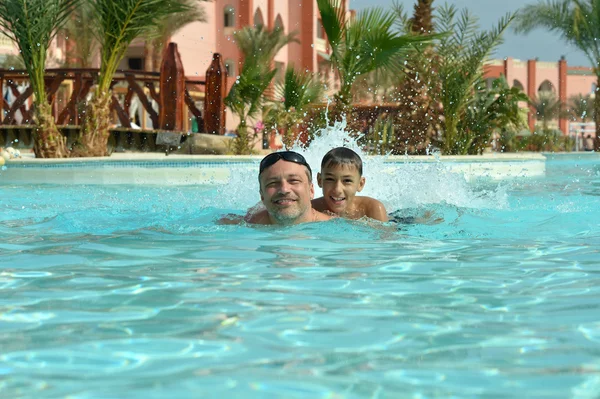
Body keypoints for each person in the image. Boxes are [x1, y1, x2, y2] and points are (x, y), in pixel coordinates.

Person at [245, 151, 332, 225]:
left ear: (311, 191)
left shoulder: (332, 227)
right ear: (262, 196)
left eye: (293, 180)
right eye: (273, 183)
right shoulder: (247, 224)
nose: (284, 190)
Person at [312, 147, 389, 222]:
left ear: (360, 184)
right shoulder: (311, 209)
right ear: (319, 180)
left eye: (347, 180)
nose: (337, 189)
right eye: (330, 179)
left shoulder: (372, 209)